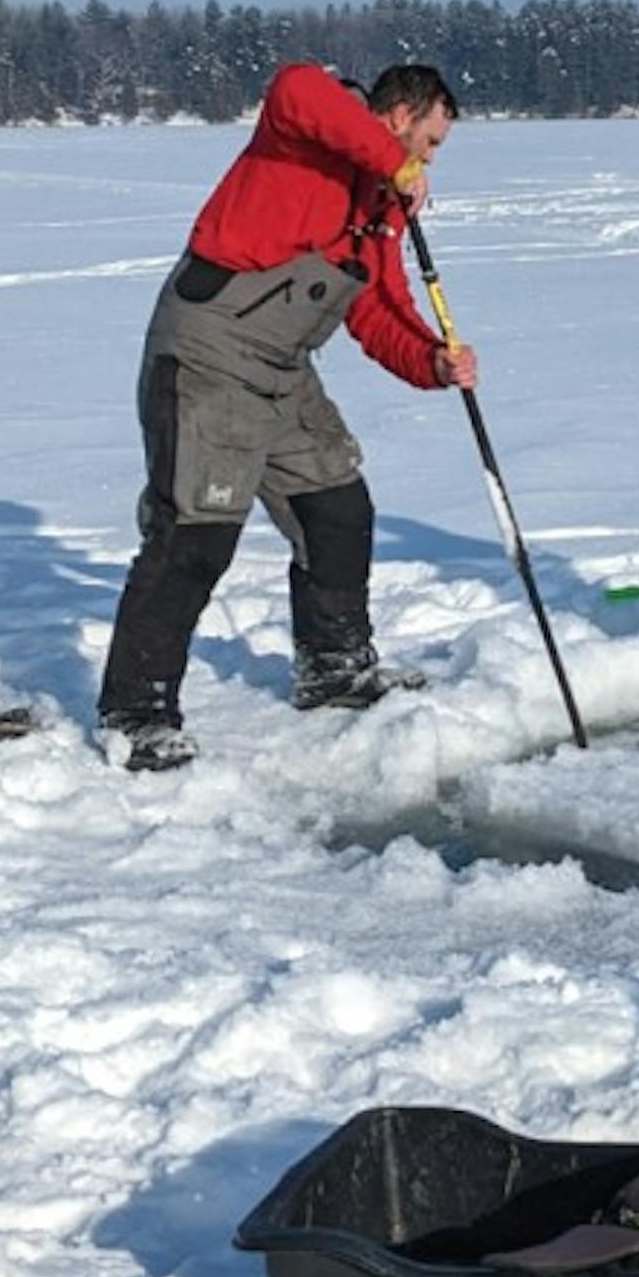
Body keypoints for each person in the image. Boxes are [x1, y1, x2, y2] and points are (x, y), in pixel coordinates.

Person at [98, 61, 477, 773]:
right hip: (208, 358)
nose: (428, 160)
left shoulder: (378, 210)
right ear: (399, 115)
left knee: (338, 508)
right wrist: (396, 164)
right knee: (195, 540)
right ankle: (136, 713)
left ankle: (335, 671)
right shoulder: (307, 127)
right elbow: (296, 87)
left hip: (283, 373)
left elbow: (376, 311)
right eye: (429, 142)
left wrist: (432, 361)